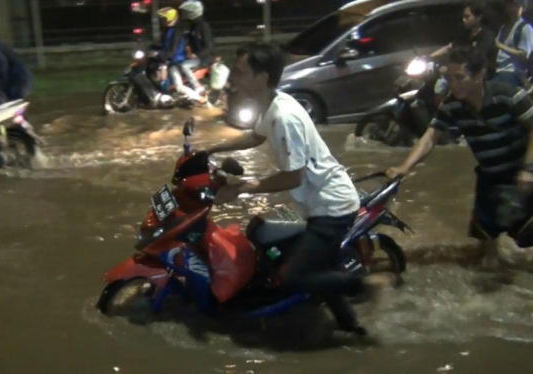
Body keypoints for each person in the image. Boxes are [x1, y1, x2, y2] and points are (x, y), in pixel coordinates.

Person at [207, 42, 385, 337]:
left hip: (331, 208)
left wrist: (242, 188)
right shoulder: (273, 105)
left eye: (240, 71)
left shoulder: (284, 117)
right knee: (322, 274)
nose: (233, 77)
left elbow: (293, 177)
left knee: (292, 277)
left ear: (261, 78)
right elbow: (254, 137)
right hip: (318, 204)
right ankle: (354, 330)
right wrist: (211, 148)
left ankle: (366, 286)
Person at [386, 47, 533, 270]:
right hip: (490, 176)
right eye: (448, 78)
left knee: (527, 234)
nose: (452, 85)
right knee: (486, 244)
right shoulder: (452, 105)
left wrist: (529, 169)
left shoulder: (508, 94)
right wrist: (403, 167)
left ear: (480, 74)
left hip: (521, 172)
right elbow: (431, 137)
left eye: (459, 77)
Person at [431, 1, 498, 97]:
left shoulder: (486, 36)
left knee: (443, 85)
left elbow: (476, 59)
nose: (464, 20)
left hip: (479, 76)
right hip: (461, 72)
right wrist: (428, 57)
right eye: (463, 17)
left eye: (467, 17)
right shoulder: (465, 35)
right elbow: (450, 47)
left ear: (478, 17)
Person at [156, 7, 205, 104]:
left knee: (179, 86)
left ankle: (200, 99)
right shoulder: (168, 30)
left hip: (177, 62)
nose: (162, 21)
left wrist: (161, 55)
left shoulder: (176, 32)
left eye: (163, 19)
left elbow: (172, 50)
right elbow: (162, 45)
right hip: (170, 60)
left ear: (169, 19)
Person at [178, 0, 216, 99]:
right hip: (196, 56)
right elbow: (189, 39)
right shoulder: (194, 26)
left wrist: (197, 55)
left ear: (192, 12)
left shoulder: (203, 26)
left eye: (186, 12)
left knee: (184, 66)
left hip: (205, 58)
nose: (184, 14)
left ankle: (197, 87)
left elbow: (209, 47)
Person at [492, 0, 533, 87]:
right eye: (509, 5)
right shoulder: (504, 27)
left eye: (515, 6)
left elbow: (524, 55)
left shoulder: (526, 28)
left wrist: (501, 46)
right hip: (499, 70)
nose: (511, 9)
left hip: (514, 72)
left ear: (523, 8)